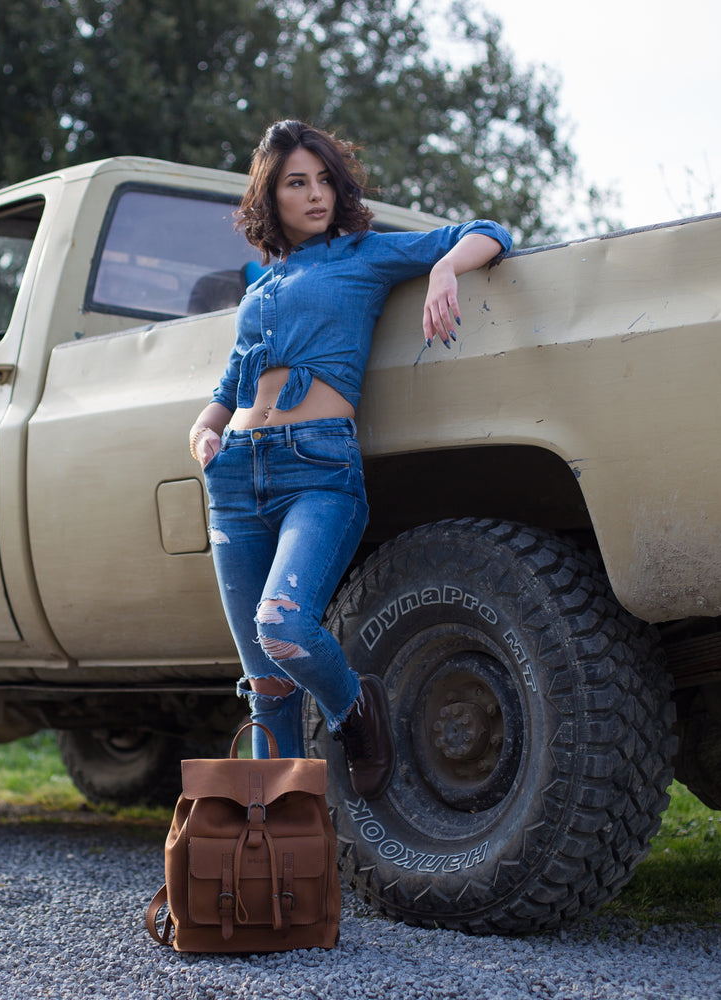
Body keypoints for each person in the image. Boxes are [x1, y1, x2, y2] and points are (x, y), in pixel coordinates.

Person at [188, 120, 512, 799]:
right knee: (267, 689)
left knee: (281, 624)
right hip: (235, 478)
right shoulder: (263, 285)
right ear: (269, 196)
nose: (314, 195)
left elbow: (487, 230)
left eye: (324, 180)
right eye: (295, 183)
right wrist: (204, 435)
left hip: (318, 471)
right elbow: (227, 388)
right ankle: (272, 854)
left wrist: (446, 269)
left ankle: (351, 711)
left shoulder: (362, 255)